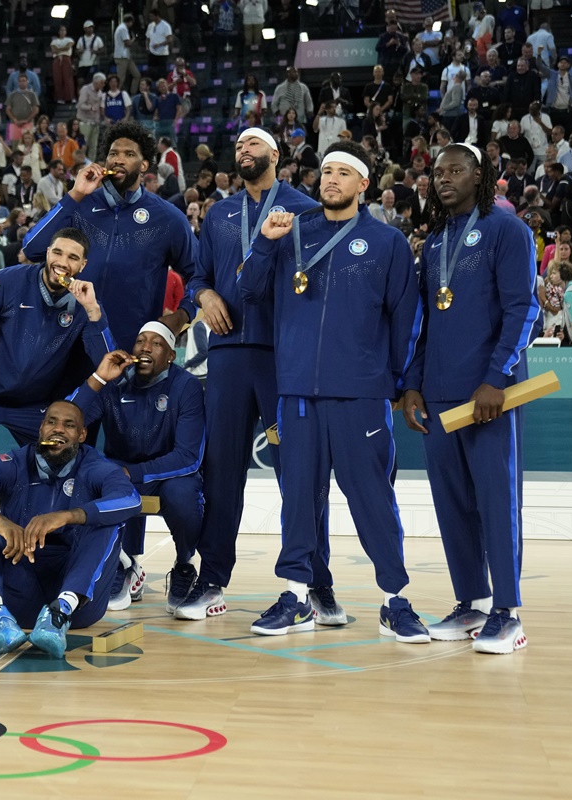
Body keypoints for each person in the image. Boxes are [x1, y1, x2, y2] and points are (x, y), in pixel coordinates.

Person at [236, 141, 428, 643]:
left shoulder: (386, 242)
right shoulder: (290, 231)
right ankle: (298, 597)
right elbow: (249, 292)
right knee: (298, 496)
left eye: (343, 173)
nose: (331, 180)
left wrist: (393, 383)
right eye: (326, 172)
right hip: (296, 390)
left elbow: (406, 319)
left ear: (364, 184)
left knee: (371, 497)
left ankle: (395, 600)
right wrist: (263, 241)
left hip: (360, 394)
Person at [403, 143, 540, 654]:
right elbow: (421, 324)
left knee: (496, 498)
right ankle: (471, 603)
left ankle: (508, 613)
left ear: (480, 176)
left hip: (489, 394)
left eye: (456, 170)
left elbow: (524, 310)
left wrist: (496, 379)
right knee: (453, 503)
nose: (444, 179)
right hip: (438, 395)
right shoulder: (434, 241)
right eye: (437, 172)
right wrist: (412, 384)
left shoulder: (509, 230)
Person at [179, 127, 319, 620]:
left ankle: (312, 583)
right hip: (229, 358)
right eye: (237, 145)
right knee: (222, 472)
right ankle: (213, 578)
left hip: (283, 357)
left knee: (297, 473)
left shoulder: (305, 208)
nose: (243, 150)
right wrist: (206, 295)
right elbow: (197, 275)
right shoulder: (217, 213)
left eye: (253, 144)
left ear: (276, 155)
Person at [0, 400, 141, 659]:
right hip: (19, 592)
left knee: (106, 522)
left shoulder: (96, 466)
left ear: (82, 435)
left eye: (69, 425)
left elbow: (130, 500)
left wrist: (69, 516)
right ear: (40, 428)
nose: (58, 430)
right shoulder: (12, 462)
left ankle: (59, 615)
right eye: (52, 422)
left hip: (79, 603)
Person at [0, 227, 112, 510]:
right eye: (57, 252)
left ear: (82, 265)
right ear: (46, 253)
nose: (62, 262)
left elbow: (107, 366)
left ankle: (45, 545)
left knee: (60, 464)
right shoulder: (6, 282)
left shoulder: (85, 302)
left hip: (35, 407)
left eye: (72, 257)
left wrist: (94, 311)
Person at [22, 121, 196, 348]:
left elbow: (200, 273)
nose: (118, 159)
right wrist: (74, 194)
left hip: (128, 347)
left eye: (129, 154)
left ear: (144, 165)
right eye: (113, 153)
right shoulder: (80, 205)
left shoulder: (168, 218)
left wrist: (183, 315)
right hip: (68, 343)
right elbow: (32, 249)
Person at [69, 323, 204, 612]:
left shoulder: (186, 386)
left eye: (156, 343)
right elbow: (68, 417)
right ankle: (124, 563)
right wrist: (98, 378)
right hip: (121, 470)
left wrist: (134, 472)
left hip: (169, 471)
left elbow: (188, 457)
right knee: (90, 482)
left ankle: (184, 563)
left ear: (170, 355)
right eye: (140, 340)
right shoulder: (115, 383)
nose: (145, 347)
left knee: (182, 494)